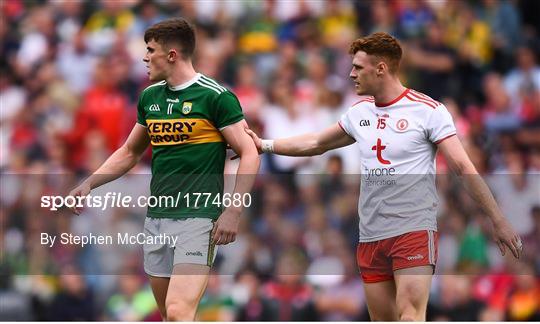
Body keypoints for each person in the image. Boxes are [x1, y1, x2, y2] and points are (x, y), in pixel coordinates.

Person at [244, 32, 522, 321]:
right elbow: (316, 142)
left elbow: (463, 167)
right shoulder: (358, 114)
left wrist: (498, 219)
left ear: (381, 68)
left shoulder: (428, 111)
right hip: (372, 235)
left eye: (358, 68)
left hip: (413, 229)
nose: (351, 74)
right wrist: (265, 144)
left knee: (410, 315)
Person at [68, 18, 260, 320]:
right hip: (157, 218)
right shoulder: (150, 97)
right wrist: (89, 184)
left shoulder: (215, 96)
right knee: (170, 315)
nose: (144, 57)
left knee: (177, 311)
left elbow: (250, 152)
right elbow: (130, 151)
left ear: (171, 54)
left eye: (150, 50)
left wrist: (233, 210)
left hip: (198, 218)